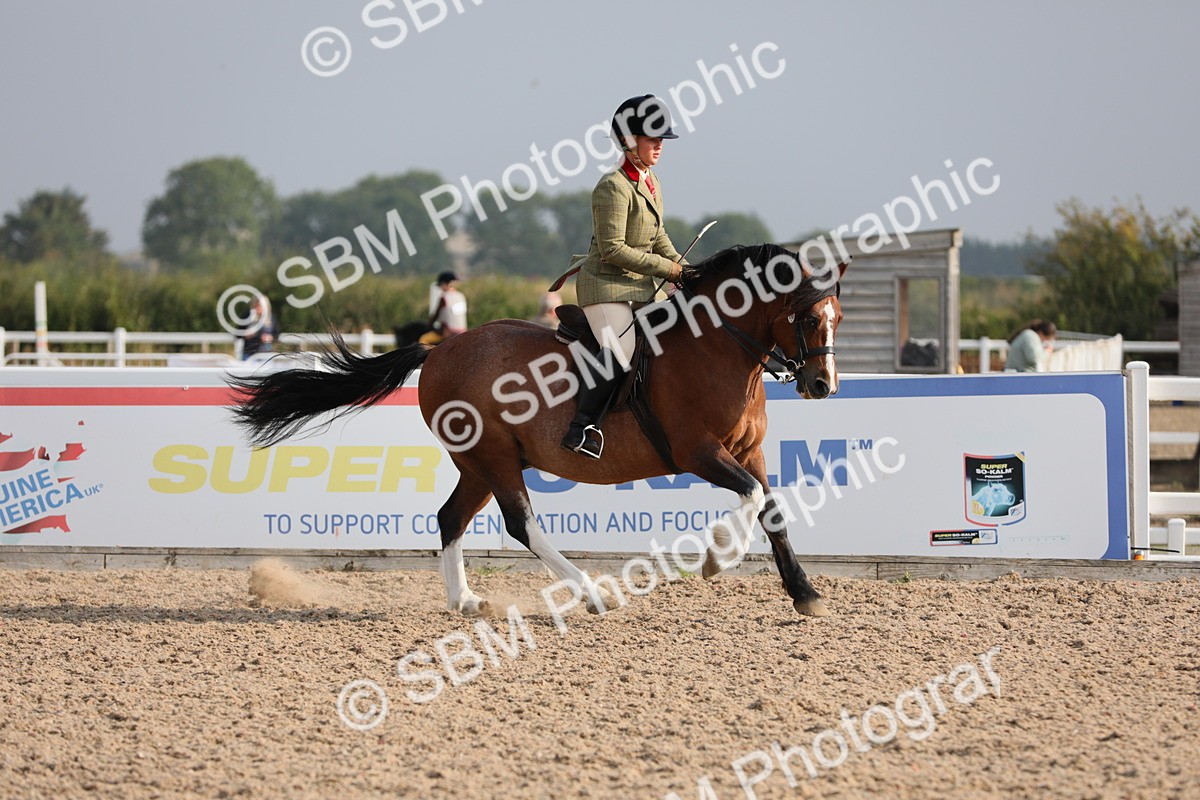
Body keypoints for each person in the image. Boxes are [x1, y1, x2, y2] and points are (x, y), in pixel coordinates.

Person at [560, 94, 687, 459]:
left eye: (663, 138)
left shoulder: (651, 181)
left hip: (640, 286)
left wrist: (686, 269)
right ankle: (582, 427)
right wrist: (670, 270)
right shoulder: (611, 186)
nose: (660, 145)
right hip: (606, 286)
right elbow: (613, 248)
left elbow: (657, 236)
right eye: (652, 138)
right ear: (630, 141)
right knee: (622, 350)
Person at [419, 271, 468, 346]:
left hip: (448, 333)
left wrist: (429, 324)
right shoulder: (461, 296)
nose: (440, 288)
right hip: (463, 331)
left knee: (424, 339)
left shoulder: (444, 297)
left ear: (445, 284)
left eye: (441, 285)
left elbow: (436, 314)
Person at [239, 296, 278, 360]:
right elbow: (238, 333)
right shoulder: (247, 316)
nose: (257, 308)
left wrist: (271, 337)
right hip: (249, 354)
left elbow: (276, 334)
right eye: (255, 306)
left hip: (266, 354)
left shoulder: (271, 318)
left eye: (259, 306)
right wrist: (245, 334)